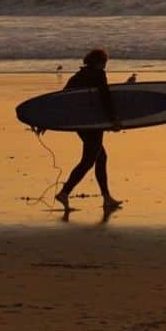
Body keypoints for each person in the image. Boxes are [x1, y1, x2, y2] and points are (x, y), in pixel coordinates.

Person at [54, 48, 123, 212]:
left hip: (80, 124)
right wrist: (113, 120)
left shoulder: (77, 76)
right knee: (88, 161)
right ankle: (64, 192)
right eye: (104, 62)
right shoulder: (98, 74)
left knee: (100, 157)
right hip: (93, 123)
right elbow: (105, 97)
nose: (105, 65)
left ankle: (107, 198)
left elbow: (62, 100)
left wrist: (47, 122)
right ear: (100, 62)